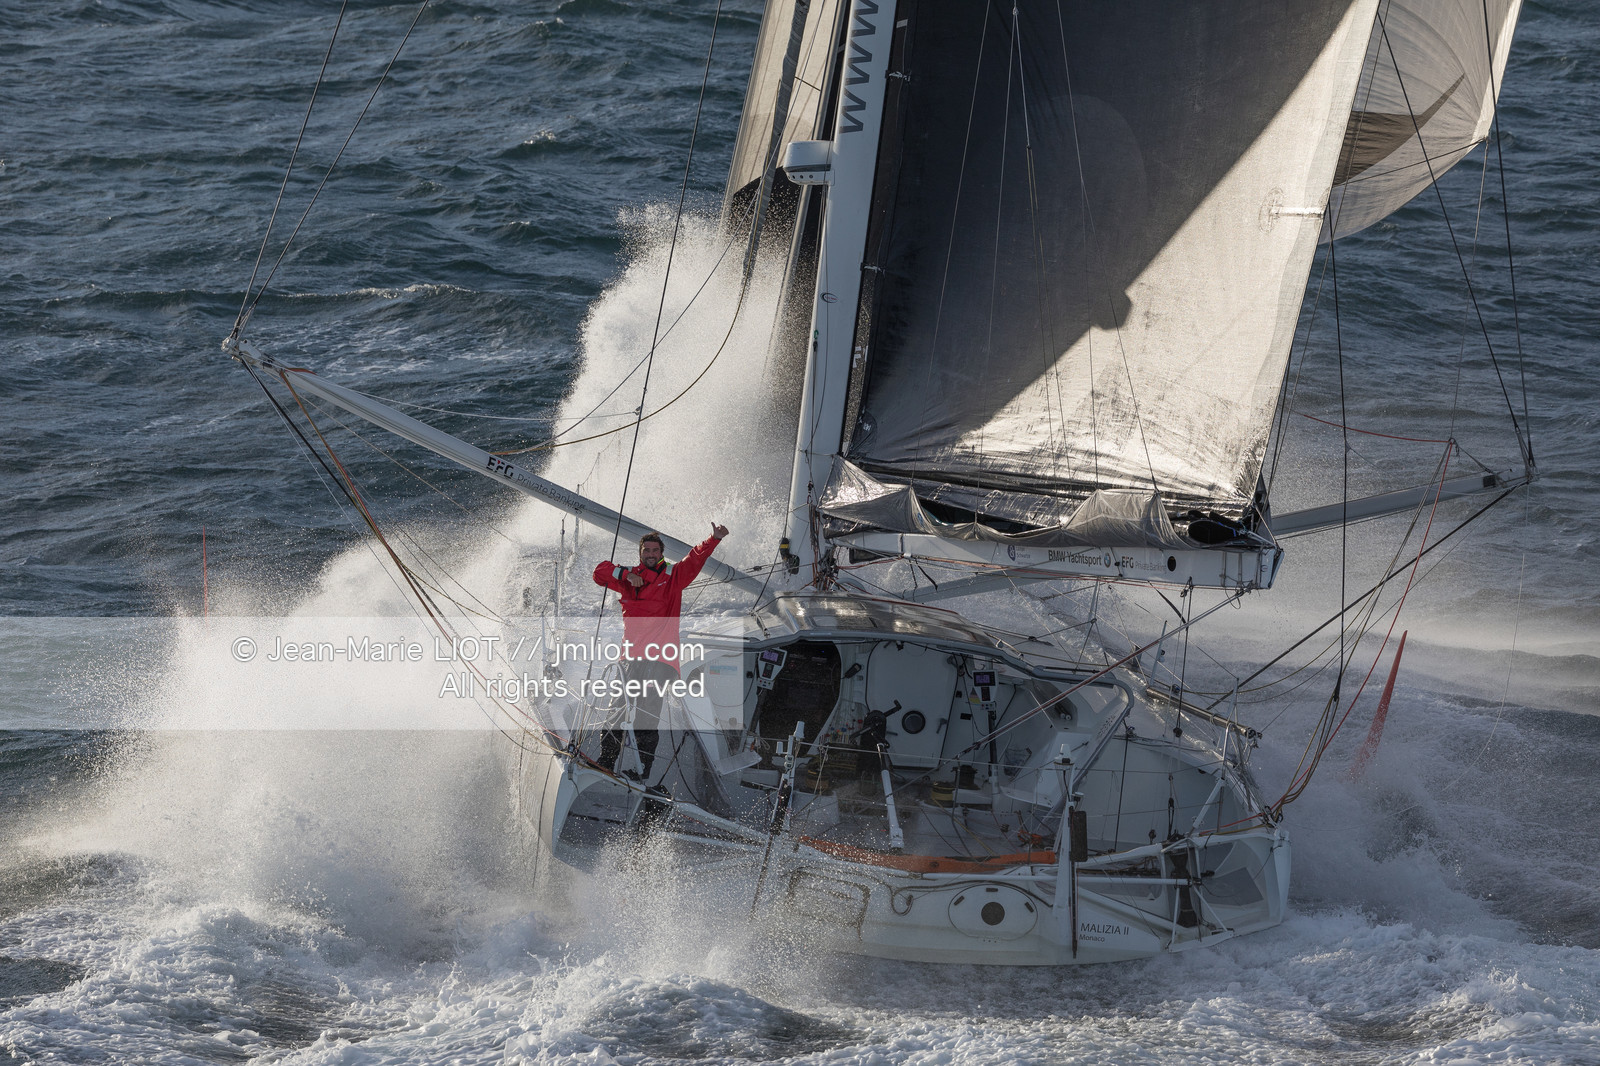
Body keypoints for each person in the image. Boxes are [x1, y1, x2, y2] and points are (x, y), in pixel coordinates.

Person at [591, 523, 728, 779]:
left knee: (646, 715)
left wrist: (714, 538)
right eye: (647, 550)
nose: (651, 554)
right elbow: (599, 572)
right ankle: (606, 762)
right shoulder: (630, 576)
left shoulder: (673, 577)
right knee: (617, 710)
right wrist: (624, 575)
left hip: (661, 660)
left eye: (655, 550)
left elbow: (695, 560)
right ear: (641, 553)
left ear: (661, 553)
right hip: (630, 658)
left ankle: (642, 772)